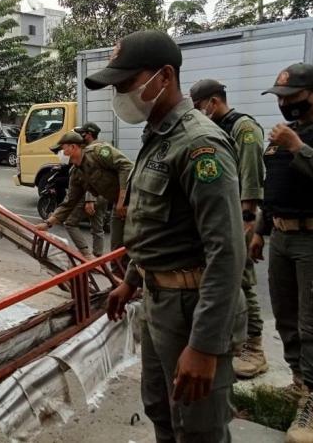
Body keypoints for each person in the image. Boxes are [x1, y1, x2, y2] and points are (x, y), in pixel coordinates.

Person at [96, 30, 244, 443]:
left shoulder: (199, 144)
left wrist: (205, 345)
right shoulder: (156, 137)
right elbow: (159, 230)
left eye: (126, 83)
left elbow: (227, 251)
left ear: (164, 76)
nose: (120, 93)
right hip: (159, 304)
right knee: (162, 412)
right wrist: (131, 281)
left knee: (198, 430)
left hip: (193, 309)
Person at [250, 63, 313, 443]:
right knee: (286, 316)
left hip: (311, 238)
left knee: (311, 323)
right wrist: (261, 230)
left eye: (292, 97)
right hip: (282, 236)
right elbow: (273, 187)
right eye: (280, 98)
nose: (284, 104)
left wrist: (298, 147)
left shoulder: (293, 138)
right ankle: (298, 381)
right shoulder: (279, 138)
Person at [190, 79, 268, 379]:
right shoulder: (216, 127)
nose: (198, 111)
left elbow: (251, 175)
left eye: (199, 106)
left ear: (213, 101)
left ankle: (255, 347)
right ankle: (234, 338)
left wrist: (248, 217)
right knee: (224, 280)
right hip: (221, 215)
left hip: (240, 215)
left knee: (243, 279)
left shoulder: (243, 128)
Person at [36, 124, 133, 262]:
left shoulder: (98, 152)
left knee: (139, 246)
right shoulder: (76, 173)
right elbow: (70, 202)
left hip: (136, 199)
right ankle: (119, 281)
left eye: (62, 149)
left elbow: (126, 166)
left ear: (73, 147)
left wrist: (123, 200)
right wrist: (47, 224)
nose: (60, 154)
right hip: (118, 206)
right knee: (117, 249)